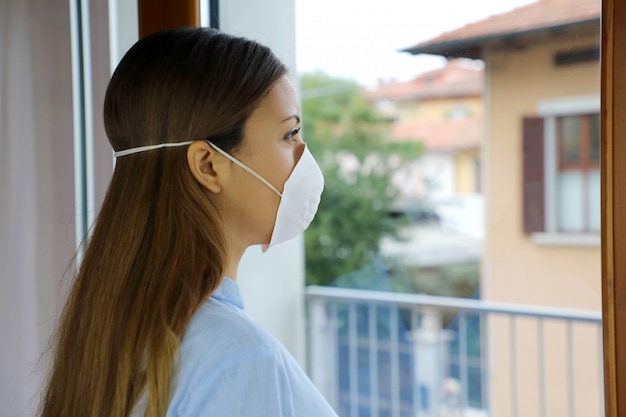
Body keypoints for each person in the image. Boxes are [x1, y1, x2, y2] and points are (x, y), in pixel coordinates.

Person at [39, 27, 336, 417]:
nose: (303, 156)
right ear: (208, 166)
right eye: (289, 134)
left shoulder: (108, 338)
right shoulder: (239, 360)